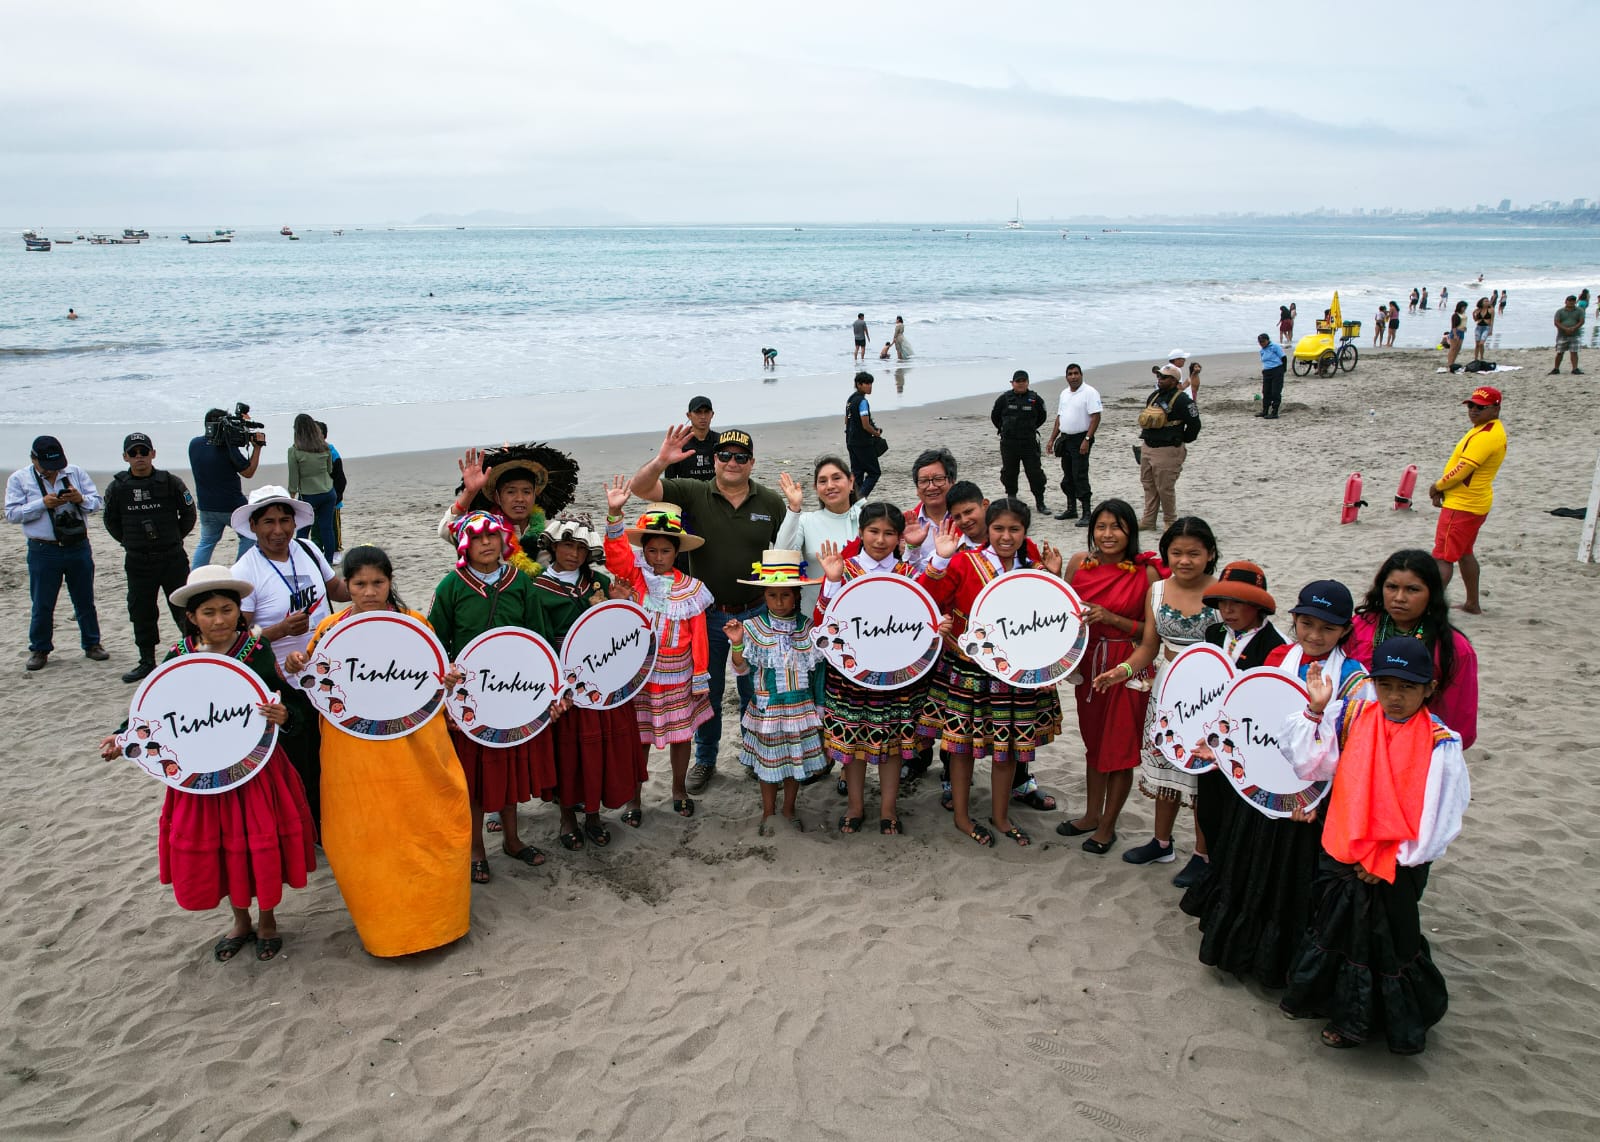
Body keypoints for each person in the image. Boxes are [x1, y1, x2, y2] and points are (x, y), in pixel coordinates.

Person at [99, 565, 315, 963]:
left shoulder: (255, 651)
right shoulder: (177, 658)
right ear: (192, 618)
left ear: (239, 611)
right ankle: (240, 920)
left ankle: (267, 920)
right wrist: (122, 737)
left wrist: (284, 715)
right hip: (201, 773)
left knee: (256, 842)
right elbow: (154, 711)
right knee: (221, 847)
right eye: (209, 612)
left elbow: (284, 698)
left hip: (253, 769)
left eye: (227, 610)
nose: (219, 619)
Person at [1277, 640, 1469, 1054]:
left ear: (1429, 689)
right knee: (1335, 930)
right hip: (1343, 848)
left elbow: (1437, 817)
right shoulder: (1351, 715)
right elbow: (1311, 763)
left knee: (1384, 940)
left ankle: (1362, 1021)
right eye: (1386, 686)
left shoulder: (1441, 743)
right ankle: (1327, 1002)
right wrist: (1315, 709)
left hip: (1395, 862)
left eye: (1407, 687)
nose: (1395, 697)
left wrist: (1390, 859)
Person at [285, 547, 470, 956]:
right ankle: (385, 930)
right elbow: (316, 684)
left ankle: (442, 921)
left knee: (430, 824)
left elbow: (434, 681)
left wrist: (450, 677)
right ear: (346, 586)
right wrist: (300, 663)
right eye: (359, 584)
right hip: (354, 757)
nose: (369, 592)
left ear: (390, 583)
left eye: (378, 583)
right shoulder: (330, 630)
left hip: (416, 752)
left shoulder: (415, 624)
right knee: (366, 836)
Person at [631, 426, 785, 795]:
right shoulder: (693, 491)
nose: (733, 462)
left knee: (754, 691)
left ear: (752, 462)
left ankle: (752, 754)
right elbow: (640, 489)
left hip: (756, 613)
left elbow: (789, 549)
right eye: (725, 455)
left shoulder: (770, 502)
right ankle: (705, 759)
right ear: (714, 459)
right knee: (706, 692)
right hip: (705, 615)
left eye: (741, 457)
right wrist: (661, 460)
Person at [918, 501, 1065, 848]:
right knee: (963, 747)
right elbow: (931, 596)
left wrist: (1055, 579)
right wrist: (939, 559)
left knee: (1009, 747)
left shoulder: (1034, 569)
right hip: (971, 671)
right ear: (989, 529)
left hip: (1016, 674)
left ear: (1024, 532)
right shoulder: (965, 562)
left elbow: (1050, 619)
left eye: (1015, 529)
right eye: (999, 528)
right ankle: (962, 816)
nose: (1006, 536)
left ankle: (1000, 816)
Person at [428, 511, 555, 880]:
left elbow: (539, 637)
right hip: (470, 697)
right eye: (477, 538)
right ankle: (476, 848)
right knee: (476, 773)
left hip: (514, 693)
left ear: (504, 541)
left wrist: (546, 688)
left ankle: (513, 840)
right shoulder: (450, 587)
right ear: (464, 545)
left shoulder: (520, 584)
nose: (486, 543)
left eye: (492, 537)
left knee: (510, 768)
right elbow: (436, 642)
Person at [1092, 518, 1219, 877]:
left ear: (1209, 554)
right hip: (1168, 685)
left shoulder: (1222, 591)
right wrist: (1122, 671)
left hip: (1210, 691)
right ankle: (1160, 843)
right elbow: (1149, 646)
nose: (1184, 560)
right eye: (1176, 552)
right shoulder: (1158, 590)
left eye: (1194, 553)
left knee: (1200, 775)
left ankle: (1202, 854)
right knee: (1166, 765)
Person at [230, 486, 351, 825]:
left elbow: (336, 590)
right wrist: (281, 630)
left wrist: (368, 588)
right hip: (285, 682)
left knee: (335, 752)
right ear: (253, 526)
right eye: (268, 522)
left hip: (329, 672)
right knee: (305, 758)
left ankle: (334, 813)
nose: (279, 530)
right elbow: (238, 641)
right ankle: (314, 824)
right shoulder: (245, 572)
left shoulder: (309, 550)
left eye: (285, 520)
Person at [527, 512, 647, 850]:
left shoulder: (598, 581)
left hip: (601, 678)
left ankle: (593, 815)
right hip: (563, 683)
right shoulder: (536, 589)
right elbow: (537, 638)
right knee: (567, 752)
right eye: (567, 545)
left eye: (581, 547)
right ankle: (567, 816)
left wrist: (618, 603)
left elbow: (621, 629)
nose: (574, 554)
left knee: (600, 749)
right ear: (552, 545)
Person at [1177, 561, 1288, 918]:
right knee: (1209, 812)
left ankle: (1236, 891)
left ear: (1259, 605)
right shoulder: (1212, 636)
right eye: (1223, 601)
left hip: (1247, 749)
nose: (1228, 609)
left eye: (1238, 602)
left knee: (1240, 821)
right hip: (1211, 746)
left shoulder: (1276, 648)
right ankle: (1217, 877)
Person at [1057, 499, 1165, 854]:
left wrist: (1111, 619)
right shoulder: (1078, 564)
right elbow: (1060, 614)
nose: (1107, 534)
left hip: (1127, 663)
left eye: (1116, 527)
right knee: (1093, 742)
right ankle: (1090, 814)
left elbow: (1150, 633)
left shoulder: (1146, 573)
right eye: (1101, 527)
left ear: (1129, 531)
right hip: (1087, 665)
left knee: (1119, 748)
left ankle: (1108, 825)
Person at [603, 489, 714, 821]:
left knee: (682, 734)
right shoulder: (634, 577)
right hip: (639, 674)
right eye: (651, 550)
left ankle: (678, 789)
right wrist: (614, 514)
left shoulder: (692, 589)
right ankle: (634, 799)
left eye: (666, 550)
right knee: (639, 736)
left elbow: (699, 637)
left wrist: (700, 675)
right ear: (644, 551)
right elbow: (616, 555)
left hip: (679, 672)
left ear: (677, 552)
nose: (658, 557)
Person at [814, 506, 922, 835]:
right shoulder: (843, 570)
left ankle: (888, 807)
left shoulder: (908, 572)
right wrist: (832, 582)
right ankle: (856, 805)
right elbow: (822, 623)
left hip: (895, 676)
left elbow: (921, 620)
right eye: (873, 531)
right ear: (861, 532)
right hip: (851, 676)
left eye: (889, 533)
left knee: (891, 745)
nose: (880, 539)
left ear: (899, 537)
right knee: (854, 746)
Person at [727, 552, 828, 832]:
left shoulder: (808, 627)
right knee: (769, 763)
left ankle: (788, 808)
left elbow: (818, 671)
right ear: (764, 597)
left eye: (785, 595)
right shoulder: (752, 628)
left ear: (796, 595)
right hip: (768, 709)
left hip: (800, 707)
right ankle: (768, 812)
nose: (779, 602)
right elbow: (742, 670)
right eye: (773, 596)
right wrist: (737, 645)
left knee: (795, 761)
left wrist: (819, 705)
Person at [1348, 549, 1478, 750]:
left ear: (1432, 594)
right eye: (1391, 587)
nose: (1399, 597)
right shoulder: (1358, 628)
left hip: (1418, 748)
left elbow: (1458, 722)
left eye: (1412, 589)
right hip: (1354, 739)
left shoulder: (1455, 650)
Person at [6, 435, 106, 671]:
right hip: (43, 548)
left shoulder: (75, 473)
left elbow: (96, 503)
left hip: (78, 545)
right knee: (42, 603)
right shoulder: (19, 479)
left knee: (84, 600)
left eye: (57, 464)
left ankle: (92, 644)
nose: (54, 470)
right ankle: (40, 649)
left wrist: (80, 499)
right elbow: (12, 514)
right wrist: (42, 504)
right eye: (48, 466)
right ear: (34, 459)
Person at [102, 432, 197, 682]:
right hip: (138, 560)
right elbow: (110, 521)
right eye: (133, 453)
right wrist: (130, 541)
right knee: (141, 611)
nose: (139, 457)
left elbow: (189, 513)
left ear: (153, 454)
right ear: (125, 457)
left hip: (172, 557)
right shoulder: (118, 487)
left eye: (143, 451)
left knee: (185, 608)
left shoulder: (170, 482)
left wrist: (173, 537)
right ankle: (147, 661)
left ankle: (195, 655)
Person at [1429, 385, 1507, 615]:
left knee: (1443, 558)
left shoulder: (1487, 435)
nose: (1473, 410)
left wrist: (1438, 486)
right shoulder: (1487, 428)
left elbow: (1463, 469)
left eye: (1480, 407)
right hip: (1474, 503)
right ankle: (1472, 603)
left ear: (1495, 408)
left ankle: (1430, 609)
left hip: (1462, 505)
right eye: (1471, 405)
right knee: (1464, 553)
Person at [776, 455, 861, 617]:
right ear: (816, 488)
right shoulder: (806, 520)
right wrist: (794, 508)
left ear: (850, 482)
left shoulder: (868, 519)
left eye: (836, 478)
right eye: (822, 481)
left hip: (862, 615)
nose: (830, 486)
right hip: (816, 615)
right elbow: (782, 557)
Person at [188, 408, 263, 569]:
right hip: (231, 506)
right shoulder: (227, 448)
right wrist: (257, 448)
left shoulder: (194, 444)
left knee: (206, 542)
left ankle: (196, 575)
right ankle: (240, 570)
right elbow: (248, 472)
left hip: (206, 506)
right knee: (250, 535)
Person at [1137, 365, 1201, 531]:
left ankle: (1170, 521)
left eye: (1164, 377)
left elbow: (1195, 424)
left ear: (1174, 380)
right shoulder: (1154, 396)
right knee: (1149, 485)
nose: (1160, 380)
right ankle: (1148, 520)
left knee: (1165, 488)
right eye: (1159, 377)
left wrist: (1181, 439)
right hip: (1148, 446)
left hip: (1168, 449)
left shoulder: (1183, 400)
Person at [1046, 363, 1101, 524]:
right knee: (1068, 475)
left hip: (1081, 438)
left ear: (1081, 375)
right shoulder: (1064, 394)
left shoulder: (1089, 392)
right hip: (1066, 439)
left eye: (1076, 373)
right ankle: (1071, 509)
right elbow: (1059, 418)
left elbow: (1096, 417)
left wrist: (1087, 439)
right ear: (1066, 377)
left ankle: (1087, 512)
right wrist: (1052, 439)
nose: (1073, 376)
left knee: (1080, 475)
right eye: (1070, 374)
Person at [990, 369, 1050, 513]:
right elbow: (995, 417)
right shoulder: (1004, 399)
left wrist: (1030, 428)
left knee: (1035, 473)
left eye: (1024, 381)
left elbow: (1042, 417)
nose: (1021, 384)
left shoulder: (1035, 399)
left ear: (1028, 382)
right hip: (1009, 444)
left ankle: (1040, 503)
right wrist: (1004, 429)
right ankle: (1012, 501)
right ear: (1012, 383)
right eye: (1018, 381)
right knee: (1009, 473)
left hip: (1029, 443)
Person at [286, 413, 337, 559]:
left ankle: (301, 558)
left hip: (309, 494)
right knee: (326, 528)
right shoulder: (324, 447)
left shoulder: (294, 451)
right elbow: (330, 470)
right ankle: (328, 561)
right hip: (328, 491)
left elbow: (293, 478)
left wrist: (291, 496)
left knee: (303, 530)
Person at [902, 447, 957, 569]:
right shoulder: (905, 525)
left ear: (952, 481)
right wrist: (912, 547)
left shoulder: (967, 520)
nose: (931, 487)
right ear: (917, 488)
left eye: (938, 479)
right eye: (924, 481)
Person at [844, 372, 885, 497]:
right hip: (863, 443)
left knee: (857, 473)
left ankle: (853, 499)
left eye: (871, 384)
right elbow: (865, 424)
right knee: (874, 472)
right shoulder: (862, 402)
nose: (870, 387)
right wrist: (876, 433)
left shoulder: (851, 399)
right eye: (867, 384)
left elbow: (846, 420)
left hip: (851, 441)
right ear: (859, 384)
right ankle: (860, 498)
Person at [315, 420, 347, 556]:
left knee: (333, 526)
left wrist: (336, 498)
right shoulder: (307, 454)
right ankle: (318, 551)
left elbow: (341, 480)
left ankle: (336, 550)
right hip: (315, 496)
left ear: (323, 435)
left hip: (332, 497)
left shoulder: (332, 453)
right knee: (316, 527)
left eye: (317, 433)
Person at [1552, 294, 1585, 375]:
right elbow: (1556, 322)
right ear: (1565, 302)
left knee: (1574, 352)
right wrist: (1565, 329)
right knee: (1560, 352)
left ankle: (1575, 369)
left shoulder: (1579, 311)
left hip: (1575, 334)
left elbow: (1581, 321)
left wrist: (1574, 328)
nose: (1571, 302)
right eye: (1569, 301)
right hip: (1562, 334)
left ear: (1575, 302)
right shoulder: (1560, 311)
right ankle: (1556, 369)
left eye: (1573, 301)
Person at [1256, 334, 1287, 420]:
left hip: (1277, 370)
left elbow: (1284, 357)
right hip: (1267, 371)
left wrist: (1283, 370)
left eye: (1263, 341)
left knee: (1275, 392)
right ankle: (1265, 410)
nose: (1261, 344)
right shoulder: (1262, 350)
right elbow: (1264, 360)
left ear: (1267, 340)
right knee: (1266, 391)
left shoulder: (1275, 347)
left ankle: (1274, 412)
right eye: (1260, 342)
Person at [1445, 301, 1468, 371]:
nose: (1464, 309)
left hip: (1462, 332)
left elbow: (1463, 322)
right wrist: (1455, 334)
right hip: (1456, 331)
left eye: (1465, 307)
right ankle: (1449, 363)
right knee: (1453, 348)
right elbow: (1453, 326)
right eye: (1463, 307)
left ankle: (1453, 362)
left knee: (1458, 348)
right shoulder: (1455, 315)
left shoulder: (1464, 314)